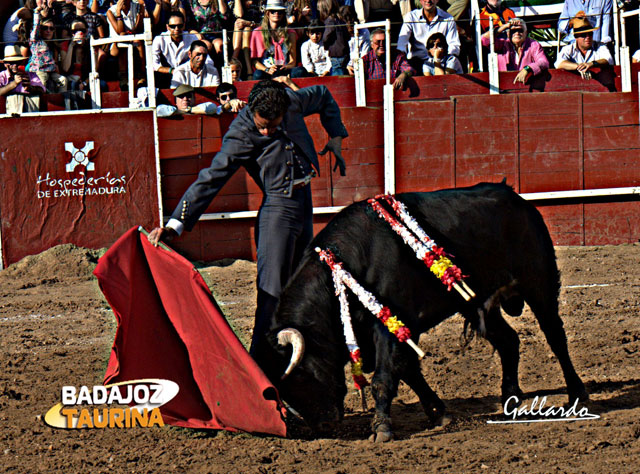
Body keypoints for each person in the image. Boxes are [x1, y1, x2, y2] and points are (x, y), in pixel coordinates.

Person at [147, 80, 348, 354]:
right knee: (272, 291)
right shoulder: (241, 133)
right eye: (262, 125)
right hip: (278, 209)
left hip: (304, 202)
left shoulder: (291, 101)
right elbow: (211, 178)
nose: (266, 131)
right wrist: (175, 224)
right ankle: (260, 360)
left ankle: (294, 353)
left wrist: (335, 135)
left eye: (273, 125)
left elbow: (324, 94)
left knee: (301, 282)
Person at [396, 0, 461, 73]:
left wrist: (446, 61)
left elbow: (454, 45)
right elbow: (402, 44)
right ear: (420, 1)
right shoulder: (411, 17)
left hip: (441, 62)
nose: (428, 0)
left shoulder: (448, 18)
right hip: (417, 63)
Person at [152, 11, 211, 88]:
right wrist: (172, 71)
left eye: (180, 26)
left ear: (184, 26)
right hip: (167, 75)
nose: (177, 29)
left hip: (188, 73)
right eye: (173, 26)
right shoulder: (159, 39)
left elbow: (208, 61)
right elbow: (154, 65)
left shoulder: (192, 37)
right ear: (167, 27)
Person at [250, 0, 306, 80]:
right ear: (267, 13)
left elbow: (292, 61)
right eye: (273, 11)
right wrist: (267, 69)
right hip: (267, 71)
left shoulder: (291, 33)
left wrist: (286, 67)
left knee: (300, 71)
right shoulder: (257, 32)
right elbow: (255, 61)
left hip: (284, 69)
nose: (276, 14)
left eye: (280, 12)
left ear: (283, 14)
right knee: (258, 74)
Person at [481, 18, 548, 84]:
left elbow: (543, 62)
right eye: (513, 31)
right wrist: (505, 26)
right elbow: (483, 40)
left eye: (520, 30)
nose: (517, 33)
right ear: (508, 33)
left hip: (526, 85)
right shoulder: (502, 44)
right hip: (504, 85)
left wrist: (527, 69)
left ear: (526, 32)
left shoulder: (533, 45)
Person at [555, 12, 612, 80]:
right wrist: (579, 66)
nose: (587, 37)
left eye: (590, 34)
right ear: (576, 37)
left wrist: (591, 64)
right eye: (583, 35)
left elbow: (608, 59)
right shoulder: (568, 49)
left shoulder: (600, 46)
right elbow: (559, 63)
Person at [30, 2, 68, 93]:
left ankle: (62, 102)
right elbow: (36, 26)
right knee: (42, 84)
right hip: (39, 71)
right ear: (41, 30)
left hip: (51, 71)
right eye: (45, 28)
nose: (48, 31)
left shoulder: (52, 44)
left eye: (51, 29)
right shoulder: (36, 40)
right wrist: (37, 12)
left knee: (63, 80)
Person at [0, 45, 46, 114]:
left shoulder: (30, 75)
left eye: (18, 62)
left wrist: (30, 88)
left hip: (30, 113)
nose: (15, 65)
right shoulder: (2, 76)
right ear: (5, 64)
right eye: (12, 62)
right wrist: (14, 84)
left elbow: (42, 90)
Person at [157, 82, 245, 116]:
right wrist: (182, 111)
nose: (185, 99)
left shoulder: (199, 109)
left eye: (188, 96)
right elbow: (159, 110)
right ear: (175, 101)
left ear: (194, 99)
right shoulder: (171, 109)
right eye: (181, 96)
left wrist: (190, 109)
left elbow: (212, 107)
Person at [318, 0, 349, 76]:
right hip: (344, 52)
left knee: (337, 73)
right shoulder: (340, 19)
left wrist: (325, 44)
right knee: (342, 70)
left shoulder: (330, 21)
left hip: (336, 54)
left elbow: (326, 36)